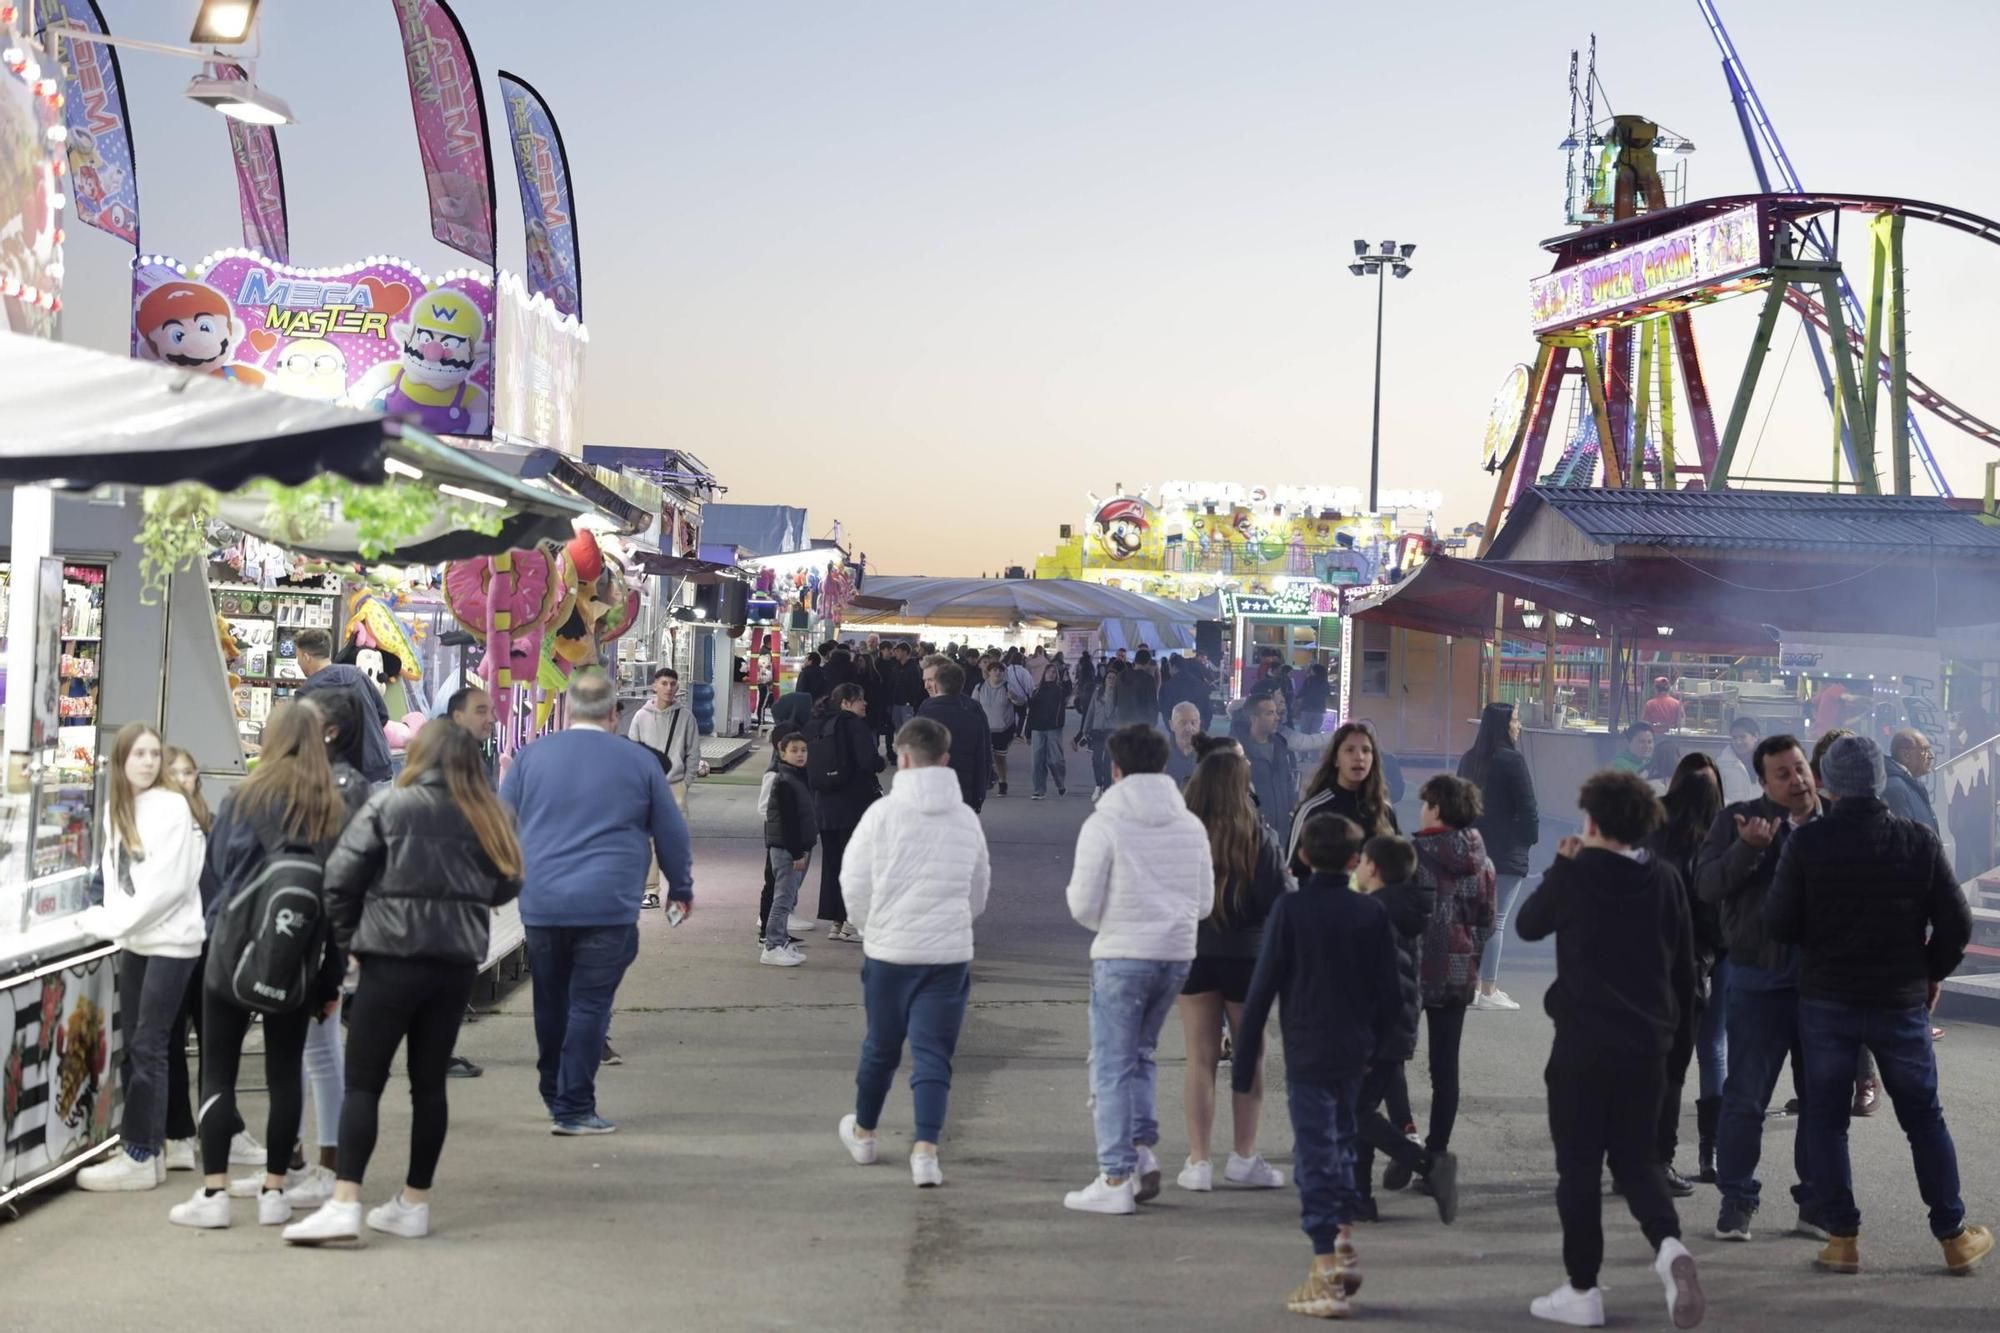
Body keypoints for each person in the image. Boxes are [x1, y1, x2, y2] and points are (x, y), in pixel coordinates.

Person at [281, 721, 523, 1244]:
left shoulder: (390, 805)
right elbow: (509, 885)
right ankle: (414, 1203)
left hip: (389, 959)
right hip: (456, 964)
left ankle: (345, 1201)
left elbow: (340, 880)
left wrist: (351, 944)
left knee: (365, 1081)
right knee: (429, 1083)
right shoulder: (491, 814)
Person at [1765, 735, 1990, 1276]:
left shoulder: (1807, 844)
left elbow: (1779, 923)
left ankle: (1841, 1239)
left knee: (1826, 1117)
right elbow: (1958, 922)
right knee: (1923, 1118)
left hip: (1826, 1000)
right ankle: (1953, 1236)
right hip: (1899, 1000)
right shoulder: (1915, 839)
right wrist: (1929, 970)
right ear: (1881, 780)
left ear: (1827, 783)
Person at [1516, 770, 1706, 1331]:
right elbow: (1684, 970)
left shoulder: (1576, 875)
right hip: (1648, 1047)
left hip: (1582, 1044)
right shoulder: (1667, 880)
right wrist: (1676, 1048)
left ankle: (1583, 1289)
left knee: (1578, 1168)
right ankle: (1669, 1248)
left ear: (1592, 822)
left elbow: (1528, 925)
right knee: (1637, 1161)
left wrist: (1562, 865)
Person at [171, 705, 352, 1229]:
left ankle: (214, 1193)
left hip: (232, 950)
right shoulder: (329, 806)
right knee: (284, 1070)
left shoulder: (244, 797)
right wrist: (330, 974)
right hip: (299, 958)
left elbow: (222, 872)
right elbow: (336, 897)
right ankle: (276, 1189)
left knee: (219, 1070)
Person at [501, 669, 692, 1136]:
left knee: (550, 1001)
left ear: (567, 710)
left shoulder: (530, 757)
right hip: (608, 904)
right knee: (589, 1004)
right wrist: (680, 887)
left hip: (543, 903)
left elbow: (500, 825)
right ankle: (574, 1105)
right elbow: (670, 831)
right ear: (613, 713)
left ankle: (553, 1091)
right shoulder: (639, 762)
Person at [1233, 813, 1402, 1320]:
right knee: (1345, 1142)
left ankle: (1325, 1267)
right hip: (1357, 1052)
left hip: (1307, 1051)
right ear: (1356, 861)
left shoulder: (1289, 909)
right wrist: (1384, 1055)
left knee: (1314, 1152)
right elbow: (1391, 997)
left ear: (1301, 856)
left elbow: (1261, 990)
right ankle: (1344, 1242)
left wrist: (1244, 1067)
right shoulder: (1371, 914)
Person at [834, 718, 993, 1187]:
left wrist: (870, 927)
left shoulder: (880, 815)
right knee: (933, 1055)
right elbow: (979, 889)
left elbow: (853, 882)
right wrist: (957, 923)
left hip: (889, 953)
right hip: (947, 956)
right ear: (945, 759)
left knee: (880, 1048)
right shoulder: (966, 817)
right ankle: (926, 1150)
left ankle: (864, 1133)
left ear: (902, 758)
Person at [1063, 725, 1212, 1216]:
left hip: (1122, 953)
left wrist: (1113, 920)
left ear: (1115, 769)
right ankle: (1142, 1151)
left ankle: (1115, 1175)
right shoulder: (1189, 824)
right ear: (1165, 765)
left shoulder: (1104, 823)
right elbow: (1205, 902)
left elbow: (1083, 903)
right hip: (1176, 954)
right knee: (1143, 1055)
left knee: (1110, 1062)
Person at [1696, 733, 1820, 1243]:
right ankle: (1737, 1201)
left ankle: (1816, 1203)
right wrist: (1748, 851)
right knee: (1745, 1099)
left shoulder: (1835, 822)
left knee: (1821, 1102)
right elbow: (1705, 884)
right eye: (1783, 773)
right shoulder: (1740, 820)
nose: (1797, 780)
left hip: (1823, 987)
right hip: (1757, 980)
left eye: (1800, 768)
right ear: (1764, 780)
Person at [73, 725, 205, 1193]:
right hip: (140, 942)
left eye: (154, 753)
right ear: (121, 761)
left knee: (150, 1045)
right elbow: (117, 878)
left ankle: (142, 1153)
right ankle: (143, 1146)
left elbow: (165, 888)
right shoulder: (122, 807)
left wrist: (108, 924)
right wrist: (107, 919)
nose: (149, 762)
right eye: (139, 754)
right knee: (138, 1045)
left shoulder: (172, 807)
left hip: (170, 943)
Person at [1175, 751, 1293, 1193]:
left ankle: (1198, 1161)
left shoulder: (1183, 836)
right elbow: (1278, 899)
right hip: (1248, 958)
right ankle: (1243, 1156)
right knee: (1249, 1059)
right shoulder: (1259, 836)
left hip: (1193, 953)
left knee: (1200, 1059)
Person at [1349, 834, 1453, 1223]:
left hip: (1379, 1031)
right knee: (1361, 1111)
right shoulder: (1400, 909)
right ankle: (1359, 1198)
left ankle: (1427, 1164)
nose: (1357, 868)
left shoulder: (1375, 913)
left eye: (1361, 862)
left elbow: (1377, 981)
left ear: (1372, 868)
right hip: (1396, 1028)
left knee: (1355, 1112)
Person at [1399, 776, 1495, 1187]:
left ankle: (1405, 1136)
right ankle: (1436, 1155)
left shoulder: (1413, 855)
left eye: (1425, 804)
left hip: (1410, 970)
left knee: (1389, 1060)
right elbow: (1486, 922)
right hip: (1457, 974)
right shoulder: (1483, 860)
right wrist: (1466, 952)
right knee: (1445, 1069)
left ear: (1436, 808)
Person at [1647, 752, 1727, 1194]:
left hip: (1638, 967)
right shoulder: (1709, 848)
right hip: (1688, 969)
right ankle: (1659, 1161)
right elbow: (1713, 917)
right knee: (1675, 1069)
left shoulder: (1648, 835)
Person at [1458, 702, 1539, 1012]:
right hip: (1507, 851)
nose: (1518, 726)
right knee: (1496, 920)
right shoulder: (1512, 760)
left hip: (1472, 847)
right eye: (1516, 721)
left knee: (1475, 918)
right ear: (1505, 726)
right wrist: (1529, 840)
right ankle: (1488, 989)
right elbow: (1528, 806)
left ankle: (1471, 985)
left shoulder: (1469, 759)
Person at [809, 683, 887, 940]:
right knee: (857, 863)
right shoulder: (854, 726)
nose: (865, 704)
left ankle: (835, 921)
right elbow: (868, 762)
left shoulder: (819, 725)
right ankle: (853, 922)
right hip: (853, 804)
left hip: (825, 805)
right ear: (845, 703)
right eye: (860, 700)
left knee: (833, 864)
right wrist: (881, 761)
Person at [1289, 721, 1399, 872]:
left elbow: (1397, 869)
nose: (1359, 757)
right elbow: (1292, 873)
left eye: (1366, 750)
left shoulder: (1383, 810)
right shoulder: (1313, 810)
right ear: (1335, 759)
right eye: (1350, 750)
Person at [293, 627, 392, 784]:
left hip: (342, 780)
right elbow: (383, 716)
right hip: (379, 768)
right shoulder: (357, 675)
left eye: (297, 656)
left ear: (306, 657)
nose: (298, 662)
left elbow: (305, 741)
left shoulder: (306, 693)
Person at [760, 727, 818, 967]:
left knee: (788, 896)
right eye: (794, 750)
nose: (800, 754)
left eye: (803, 750)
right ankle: (772, 945)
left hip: (797, 847)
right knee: (782, 899)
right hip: (786, 849)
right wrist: (796, 852)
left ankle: (781, 941)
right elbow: (788, 820)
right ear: (782, 753)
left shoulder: (798, 777)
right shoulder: (784, 781)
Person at [917, 658, 992, 812]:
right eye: (924, 680)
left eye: (931, 680)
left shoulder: (972, 708)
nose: (927, 685)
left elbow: (983, 753)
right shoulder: (925, 706)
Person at [1238, 691, 1299, 839]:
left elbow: (1288, 783)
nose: (1277, 718)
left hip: (1284, 831)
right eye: (1270, 713)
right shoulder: (1239, 753)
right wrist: (1259, 814)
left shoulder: (1281, 748)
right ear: (1254, 718)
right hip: (1253, 834)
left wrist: (1292, 810)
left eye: (1276, 712)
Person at [973, 662, 1028, 797]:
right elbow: (973, 706)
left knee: (1000, 759)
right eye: (995, 670)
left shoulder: (1008, 687)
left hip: (1003, 729)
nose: (998, 673)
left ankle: (1003, 783)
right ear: (989, 672)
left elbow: (1021, 702)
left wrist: (1014, 698)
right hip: (985, 729)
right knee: (986, 757)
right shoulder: (980, 687)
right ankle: (989, 779)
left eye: (1000, 671)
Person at [1025, 657, 1071, 799]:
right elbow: (1031, 712)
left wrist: (1066, 677)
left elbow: (1068, 690)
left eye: (1054, 672)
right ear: (1044, 674)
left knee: (1055, 760)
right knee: (1037, 761)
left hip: (1053, 728)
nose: (1051, 674)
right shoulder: (1036, 691)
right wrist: (1027, 732)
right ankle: (1039, 790)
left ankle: (1060, 783)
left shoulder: (1060, 690)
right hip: (1038, 729)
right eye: (1049, 672)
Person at [1884, 728, 1940, 833]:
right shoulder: (1895, 789)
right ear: (1906, 755)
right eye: (1924, 750)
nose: (1931, 756)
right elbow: (1903, 839)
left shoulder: (1909, 786)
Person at [1717, 716, 1762, 805]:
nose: (1738, 742)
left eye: (1742, 737)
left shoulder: (1770, 762)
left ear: (1755, 736)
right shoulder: (1722, 763)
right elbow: (1717, 794)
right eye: (1734, 738)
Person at [1165, 701, 1202, 786]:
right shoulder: (1161, 757)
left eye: (1193, 723)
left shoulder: (1209, 757)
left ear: (1199, 724)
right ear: (1171, 725)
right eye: (1183, 723)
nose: (1189, 728)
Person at [1295, 664, 1331, 736]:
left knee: (1304, 732)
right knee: (1314, 732)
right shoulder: (1325, 682)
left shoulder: (1309, 680)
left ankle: (1305, 746)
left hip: (1307, 708)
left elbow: (1302, 692)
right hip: (1319, 709)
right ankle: (1313, 746)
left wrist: (1297, 698)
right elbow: (1327, 694)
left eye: (1312, 670)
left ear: (1315, 671)